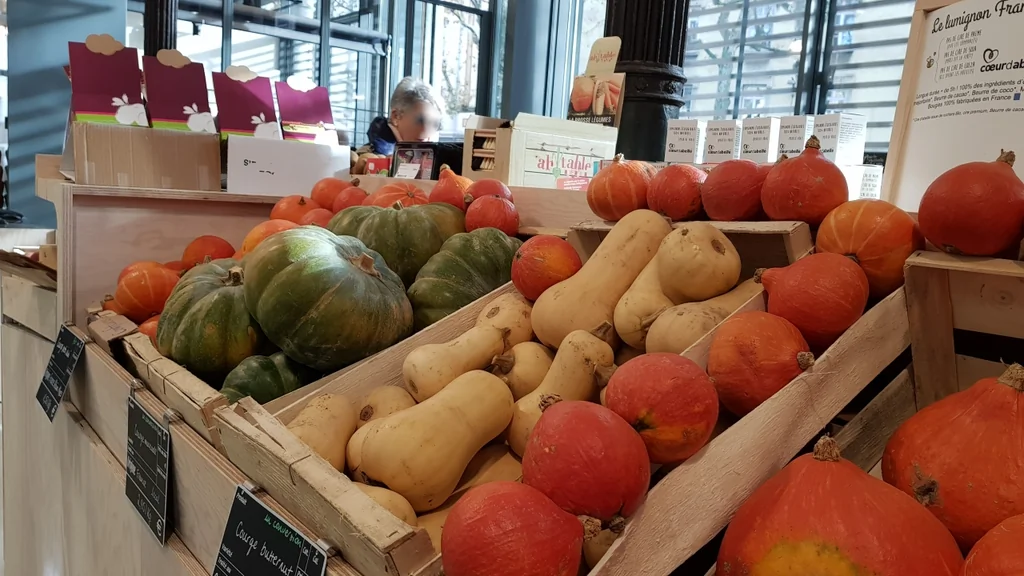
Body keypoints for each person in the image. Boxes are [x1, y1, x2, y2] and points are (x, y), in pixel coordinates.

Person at [357, 77, 443, 159]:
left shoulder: (431, 159)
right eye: (420, 120)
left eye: (435, 123)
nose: (427, 130)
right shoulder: (365, 160)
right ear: (396, 116)